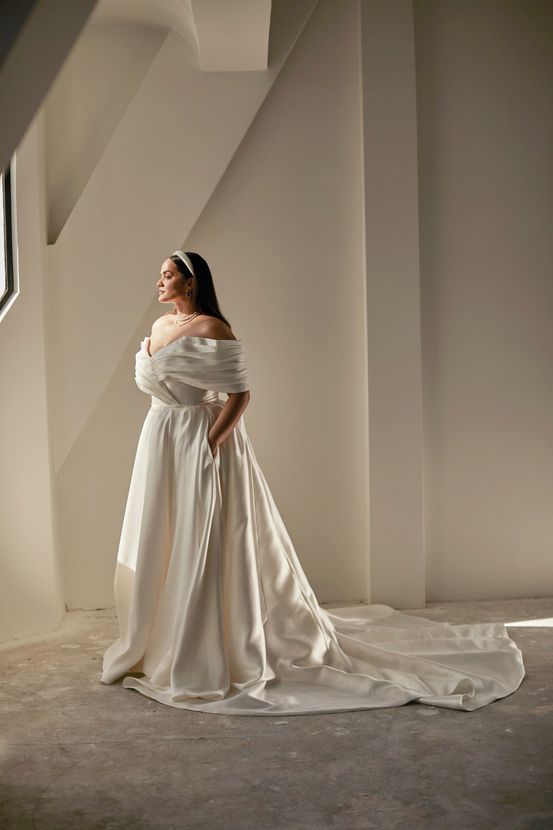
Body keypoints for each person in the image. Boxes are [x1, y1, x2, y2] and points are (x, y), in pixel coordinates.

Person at [101, 250, 525, 715]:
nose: (159, 282)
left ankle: (202, 647)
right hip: (159, 441)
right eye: (160, 275)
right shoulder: (161, 327)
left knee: (203, 541)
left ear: (191, 282)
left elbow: (240, 396)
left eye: (168, 275)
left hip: (198, 445)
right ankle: (157, 637)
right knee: (161, 534)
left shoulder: (213, 330)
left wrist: (210, 444)